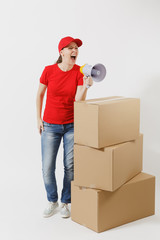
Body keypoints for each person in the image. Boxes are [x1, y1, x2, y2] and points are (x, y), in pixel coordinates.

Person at [36, 36, 93, 218]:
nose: (74, 50)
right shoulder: (49, 70)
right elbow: (39, 95)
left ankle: (65, 202)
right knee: (47, 167)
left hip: (71, 125)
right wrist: (38, 119)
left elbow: (78, 101)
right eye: (70, 48)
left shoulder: (79, 72)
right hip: (50, 125)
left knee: (70, 166)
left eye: (76, 47)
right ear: (61, 52)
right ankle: (52, 201)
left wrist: (85, 86)